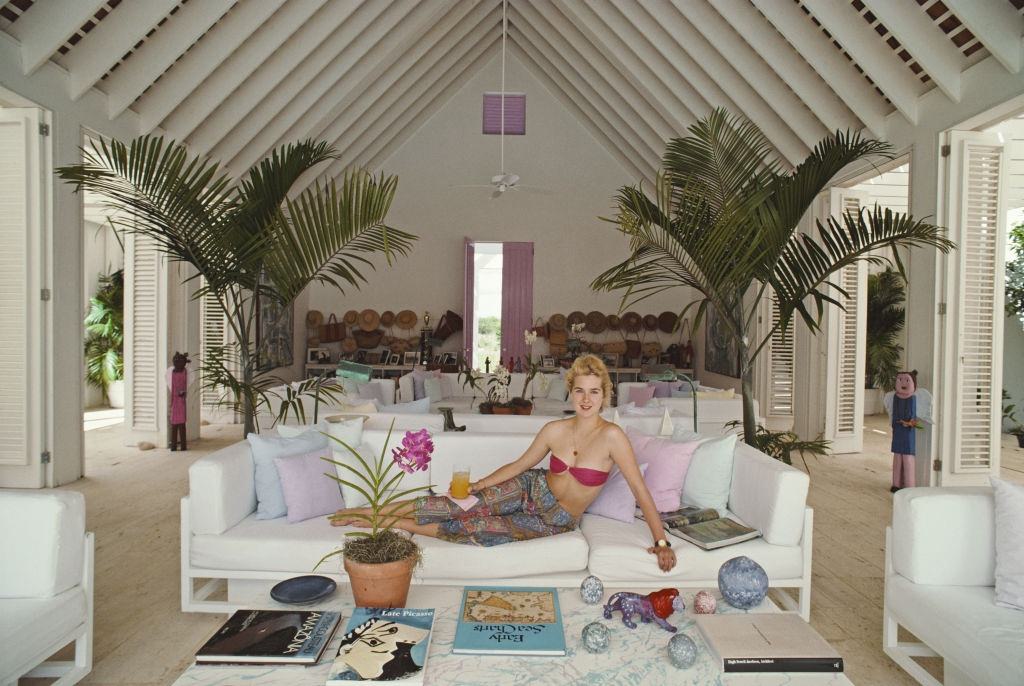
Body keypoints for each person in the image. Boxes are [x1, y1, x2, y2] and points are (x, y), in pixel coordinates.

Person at [331, 354, 677, 572]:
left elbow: (640, 491)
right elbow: (520, 465)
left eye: (595, 392)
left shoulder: (613, 437)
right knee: (458, 503)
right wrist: (481, 486)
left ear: (606, 395)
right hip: (530, 487)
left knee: (479, 531)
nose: (586, 400)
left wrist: (662, 543)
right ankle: (373, 513)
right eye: (580, 391)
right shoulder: (554, 429)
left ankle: (399, 524)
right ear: (571, 392)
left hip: (555, 519)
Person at [889, 370, 920, 492]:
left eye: (907, 380)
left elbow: (911, 414)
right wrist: (896, 424)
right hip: (898, 429)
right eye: (900, 380)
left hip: (907, 430)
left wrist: (908, 423)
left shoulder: (912, 398)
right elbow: (894, 413)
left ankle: (909, 485)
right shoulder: (895, 397)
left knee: (907, 458)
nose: (903, 383)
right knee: (897, 457)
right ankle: (896, 484)